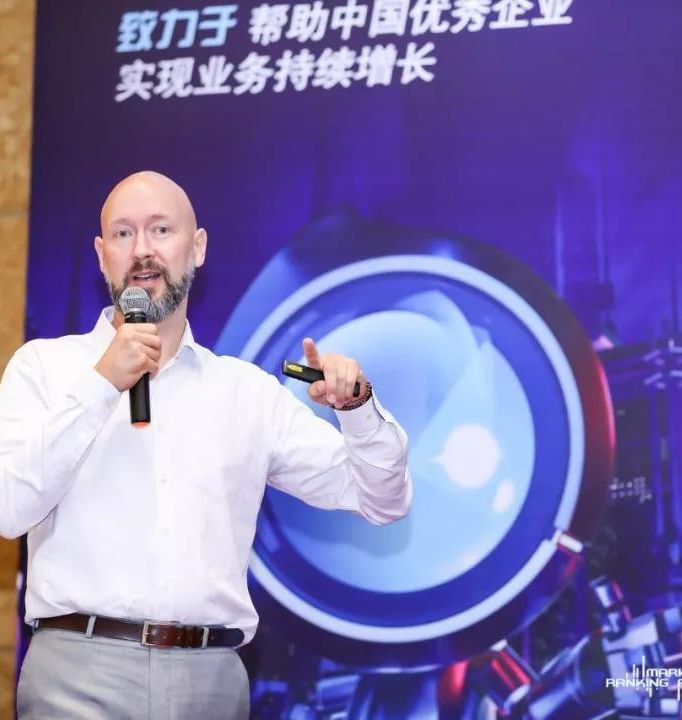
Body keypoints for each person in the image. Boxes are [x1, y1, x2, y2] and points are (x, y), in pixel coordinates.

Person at [0, 171, 412, 719]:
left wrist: (358, 409)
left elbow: (382, 499)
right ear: (101, 256)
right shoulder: (44, 368)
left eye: (160, 230)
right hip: (77, 675)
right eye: (123, 234)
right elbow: (9, 510)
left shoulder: (245, 392)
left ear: (196, 248)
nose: (141, 250)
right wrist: (102, 384)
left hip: (210, 678)